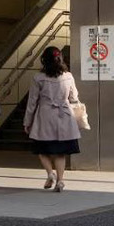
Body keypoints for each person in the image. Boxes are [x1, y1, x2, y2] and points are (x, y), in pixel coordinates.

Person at [23, 45, 82, 191]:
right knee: (60, 152)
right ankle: (60, 181)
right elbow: (74, 97)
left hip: (45, 116)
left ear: (44, 60)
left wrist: (27, 121)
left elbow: (32, 102)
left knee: (42, 149)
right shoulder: (68, 76)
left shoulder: (38, 78)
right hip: (64, 115)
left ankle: (50, 173)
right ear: (60, 58)